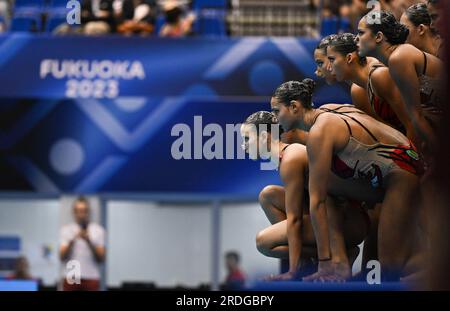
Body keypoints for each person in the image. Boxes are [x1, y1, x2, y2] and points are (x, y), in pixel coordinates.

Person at [270, 79, 424, 281]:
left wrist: (325, 262)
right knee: (377, 270)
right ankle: (342, 259)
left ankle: (439, 265)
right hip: (401, 166)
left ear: (294, 106)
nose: (274, 119)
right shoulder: (329, 110)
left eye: (276, 111)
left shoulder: (319, 132)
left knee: (389, 270)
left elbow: (317, 202)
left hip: (403, 174)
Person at [241, 111, 381, 281]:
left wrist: (291, 272)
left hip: (350, 223)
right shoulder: (289, 154)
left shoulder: (291, 158)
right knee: (268, 195)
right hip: (346, 219)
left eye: (247, 139)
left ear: (264, 136)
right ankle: (312, 259)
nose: (243, 146)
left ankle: (333, 257)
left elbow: (295, 220)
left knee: (263, 242)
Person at [355, 10, 445, 158]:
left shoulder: (399, 58)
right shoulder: (395, 60)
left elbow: (415, 117)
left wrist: (438, 158)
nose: (356, 39)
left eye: (360, 33)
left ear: (378, 37)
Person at [327, 33, 414, 137]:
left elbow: (412, 124)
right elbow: (388, 132)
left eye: (332, 60)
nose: (329, 67)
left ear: (349, 58)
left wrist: (412, 153)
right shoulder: (357, 90)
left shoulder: (379, 75)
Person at [60, 196, 106, 291]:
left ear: (88, 212)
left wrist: (88, 241)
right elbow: (62, 257)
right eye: (79, 210)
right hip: (72, 274)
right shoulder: (66, 230)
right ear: (74, 212)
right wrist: (72, 241)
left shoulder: (98, 230)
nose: (81, 214)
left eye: (84, 210)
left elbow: (101, 258)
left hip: (91, 276)